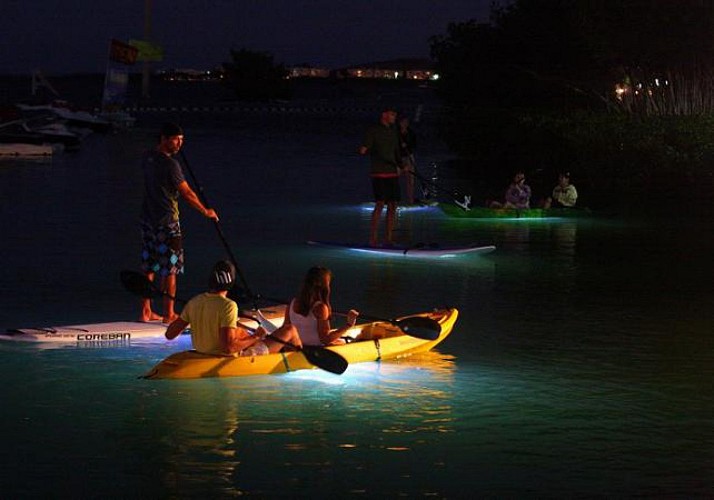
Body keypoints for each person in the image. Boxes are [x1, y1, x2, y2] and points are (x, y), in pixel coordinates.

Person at [139, 122, 219, 323]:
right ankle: (169, 314)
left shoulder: (147, 158)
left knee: (149, 266)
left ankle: (145, 312)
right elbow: (187, 193)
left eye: (182, 140)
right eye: (175, 139)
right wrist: (205, 211)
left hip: (147, 220)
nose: (179, 144)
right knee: (170, 269)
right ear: (164, 138)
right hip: (167, 223)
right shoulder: (171, 164)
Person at [166, 260, 303, 356]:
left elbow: (169, 334)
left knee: (241, 330)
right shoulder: (229, 306)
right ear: (231, 282)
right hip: (233, 356)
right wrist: (256, 336)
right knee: (290, 330)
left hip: (203, 352)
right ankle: (299, 359)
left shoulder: (194, 302)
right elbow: (229, 347)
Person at [283, 266, 359, 346]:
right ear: (325, 285)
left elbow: (285, 328)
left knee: (339, 341)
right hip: (315, 350)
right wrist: (348, 325)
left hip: (298, 346)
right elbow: (325, 339)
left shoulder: (293, 303)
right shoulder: (320, 308)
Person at [358, 106, 401, 247]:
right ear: (384, 115)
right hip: (379, 172)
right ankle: (373, 238)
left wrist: (401, 166)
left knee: (393, 204)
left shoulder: (393, 131)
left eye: (395, 115)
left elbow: (397, 152)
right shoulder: (373, 130)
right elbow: (363, 150)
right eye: (392, 114)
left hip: (393, 172)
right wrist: (368, 149)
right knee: (380, 203)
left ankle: (389, 238)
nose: (394, 117)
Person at [398, 115, 417, 205]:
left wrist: (407, 145)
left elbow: (414, 144)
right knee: (395, 179)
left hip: (409, 157)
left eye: (406, 122)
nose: (405, 124)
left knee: (410, 180)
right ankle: (393, 201)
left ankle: (410, 201)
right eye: (403, 122)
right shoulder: (396, 133)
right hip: (398, 158)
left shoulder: (411, 133)